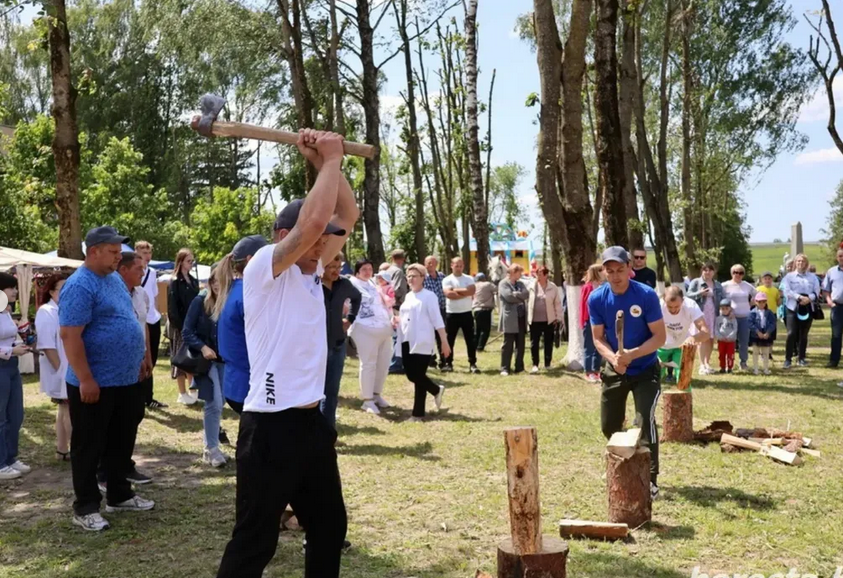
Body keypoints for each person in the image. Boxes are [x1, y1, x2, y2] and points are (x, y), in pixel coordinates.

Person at [216, 128, 355, 578]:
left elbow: (344, 215)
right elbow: (314, 224)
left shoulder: (311, 270)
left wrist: (323, 163)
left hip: (310, 425)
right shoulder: (264, 269)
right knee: (256, 540)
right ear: (283, 235)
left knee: (330, 527)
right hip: (270, 431)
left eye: (327, 243)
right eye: (316, 241)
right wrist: (332, 158)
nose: (324, 248)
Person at [59, 226, 153, 532]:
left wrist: (138, 357)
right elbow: (70, 336)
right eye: (113, 252)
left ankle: (119, 494)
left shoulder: (113, 279)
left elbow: (127, 321)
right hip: (94, 383)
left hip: (125, 380)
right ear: (93, 251)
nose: (118, 257)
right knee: (88, 445)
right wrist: (86, 379)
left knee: (121, 441)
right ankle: (85, 506)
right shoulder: (80, 285)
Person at [588, 247, 666, 500]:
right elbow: (598, 338)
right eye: (609, 271)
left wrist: (631, 355)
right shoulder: (597, 298)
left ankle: (650, 479)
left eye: (620, 270)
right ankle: (622, 465)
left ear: (629, 268)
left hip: (645, 369)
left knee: (644, 421)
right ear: (603, 271)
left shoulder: (645, 295)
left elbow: (659, 337)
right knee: (609, 424)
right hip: (615, 369)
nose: (615, 276)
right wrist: (614, 359)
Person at [98, 252, 153, 489]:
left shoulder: (141, 294)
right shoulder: (111, 293)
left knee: (134, 414)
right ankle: (105, 470)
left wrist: (148, 355)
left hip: (139, 361)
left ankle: (122, 465)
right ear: (124, 270)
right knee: (112, 420)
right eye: (139, 268)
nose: (143, 272)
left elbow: (144, 326)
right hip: (115, 366)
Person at [217, 235, 268, 414]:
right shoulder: (248, 295)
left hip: (237, 383)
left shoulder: (235, 289)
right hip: (249, 384)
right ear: (251, 260)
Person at [182, 265, 227, 467]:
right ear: (209, 281)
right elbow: (187, 331)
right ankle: (211, 449)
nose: (217, 284)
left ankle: (210, 444)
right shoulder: (200, 301)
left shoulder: (230, 302)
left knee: (221, 402)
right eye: (214, 280)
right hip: (205, 361)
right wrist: (203, 347)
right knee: (214, 402)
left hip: (225, 360)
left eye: (222, 279)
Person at [399, 264, 450, 422]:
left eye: (415, 276)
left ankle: (418, 413)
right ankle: (435, 390)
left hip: (422, 340)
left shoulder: (429, 296)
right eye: (409, 276)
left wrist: (444, 341)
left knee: (417, 375)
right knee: (411, 374)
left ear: (423, 278)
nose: (411, 279)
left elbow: (437, 320)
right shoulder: (408, 296)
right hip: (406, 339)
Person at [348, 259, 394, 415]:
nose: (368, 272)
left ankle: (376, 394)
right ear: (357, 271)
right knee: (368, 363)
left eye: (370, 269)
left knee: (383, 363)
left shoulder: (373, 284)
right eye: (364, 269)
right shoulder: (351, 284)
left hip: (383, 328)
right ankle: (367, 400)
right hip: (364, 328)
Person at [322, 253, 361, 428]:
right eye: (331, 267)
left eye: (338, 268)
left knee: (331, 391)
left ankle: (328, 431)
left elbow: (357, 297)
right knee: (314, 392)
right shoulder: (311, 285)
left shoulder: (344, 284)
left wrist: (350, 319)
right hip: (317, 346)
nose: (336, 271)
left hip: (338, 344)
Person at [35, 273, 71, 461]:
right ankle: (76, 450)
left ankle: (62, 449)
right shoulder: (46, 311)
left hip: (68, 367)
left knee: (64, 408)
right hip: (60, 368)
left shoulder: (67, 309)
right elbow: (48, 345)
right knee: (68, 408)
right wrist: (61, 372)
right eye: (62, 289)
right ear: (51, 292)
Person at [0, 272, 30, 481]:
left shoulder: (6, 312)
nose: (15, 291)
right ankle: (0, 463)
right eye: (11, 288)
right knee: (0, 417)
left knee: (16, 415)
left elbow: (7, 338)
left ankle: (11, 458)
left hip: (11, 367)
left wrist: (17, 346)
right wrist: (10, 351)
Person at [135, 241, 166, 409]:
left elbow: (154, 295)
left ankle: (149, 396)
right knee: (141, 357)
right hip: (140, 318)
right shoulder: (133, 270)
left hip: (152, 318)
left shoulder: (153, 273)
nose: (146, 255)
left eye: (148, 252)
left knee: (152, 358)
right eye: (143, 252)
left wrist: (158, 313)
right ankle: (140, 395)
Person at [657, 286, 709, 384]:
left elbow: (705, 332)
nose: (673, 310)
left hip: (683, 346)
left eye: (677, 306)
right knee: (653, 378)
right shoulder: (658, 306)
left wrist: (693, 338)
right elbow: (647, 331)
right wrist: (653, 355)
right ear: (664, 301)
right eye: (669, 307)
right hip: (661, 345)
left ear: (683, 300)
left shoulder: (691, 306)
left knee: (684, 381)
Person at [168, 248, 200, 405]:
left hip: (193, 325)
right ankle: (182, 392)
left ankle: (193, 389)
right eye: (188, 261)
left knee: (192, 358)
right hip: (180, 327)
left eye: (192, 261)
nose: (191, 264)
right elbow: (172, 309)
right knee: (180, 359)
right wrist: (181, 327)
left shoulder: (194, 281)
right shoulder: (175, 282)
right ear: (180, 262)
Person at [782, 253, 820, 369]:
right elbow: (786, 291)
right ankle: (788, 359)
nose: (800, 263)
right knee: (791, 333)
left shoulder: (813, 277)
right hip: (793, 308)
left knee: (803, 334)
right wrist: (799, 297)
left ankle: (801, 358)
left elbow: (817, 291)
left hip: (808, 307)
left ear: (806, 263)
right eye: (798, 261)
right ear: (795, 263)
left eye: (803, 261)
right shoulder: (788, 277)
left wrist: (809, 299)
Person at [442, 257, 480, 374]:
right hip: (451, 313)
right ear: (451, 266)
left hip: (466, 313)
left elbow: (472, 291)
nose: (458, 268)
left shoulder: (469, 278)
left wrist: (457, 290)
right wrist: (465, 293)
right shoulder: (447, 280)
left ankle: (472, 363)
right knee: (450, 340)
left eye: (460, 266)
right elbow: (449, 294)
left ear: (463, 266)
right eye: (456, 265)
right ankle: (448, 363)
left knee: (470, 340)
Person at [686, 263, 723, 375]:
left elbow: (723, 298)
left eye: (710, 270)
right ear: (702, 271)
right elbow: (688, 295)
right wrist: (700, 293)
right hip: (700, 314)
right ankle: (702, 365)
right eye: (705, 270)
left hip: (713, 314)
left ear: (714, 272)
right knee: (702, 338)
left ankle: (707, 363)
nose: (708, 272)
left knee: (711, 339)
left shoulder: (717, 284)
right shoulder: (696, 282)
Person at [527, 266, 563, 374]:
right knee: (534, 343)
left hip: (549, 320)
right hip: (534, 320)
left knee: (548, 342)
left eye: (540, 274)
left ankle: (547, 363)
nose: (538, 276)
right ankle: (535, 364)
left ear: (546, 275)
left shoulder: (553, 287)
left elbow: (557, 303)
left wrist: (558, 317)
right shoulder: (531, 286)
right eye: (537, 274)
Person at [721, 264, 756, 371]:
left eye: (741, 273)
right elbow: (720, 300)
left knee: (744, 341)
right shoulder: (725, 285)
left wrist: (751, 303)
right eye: (735, 272)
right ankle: (728, 363)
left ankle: (743, 362)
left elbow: (757, 294)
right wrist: (727, 311)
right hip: (730, 317)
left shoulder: (747, 285)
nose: (738, 275)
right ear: (731, 273)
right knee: (729, 341)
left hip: (745, 317)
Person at [499, 264, 529, 376]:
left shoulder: (520, 284)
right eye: (519, 272)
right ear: (513, 272)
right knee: (508, 344)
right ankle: (505, 368)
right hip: (510, 318)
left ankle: (519, 367)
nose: (520, 275)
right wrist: (517, 296)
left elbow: (526, 294)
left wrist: (517, 294)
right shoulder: (503, 284)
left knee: (520, 343)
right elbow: (508, 297)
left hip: (521, 317)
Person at [580, 263, 606, 382]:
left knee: (599, 346)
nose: (604, 272)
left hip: (601, 321)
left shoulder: (604, 286)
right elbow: (583, 306)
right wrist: (583, 321)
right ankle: (588, 371)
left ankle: (596, 371)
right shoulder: (587, 287)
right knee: (589, 347)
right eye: (602, 270)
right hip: (589, 321)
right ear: (597, 272)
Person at [422, 256, 448, 364]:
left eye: (433, 263)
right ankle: (431, 359)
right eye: (428, 263)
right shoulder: (423, 277)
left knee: (441, 335)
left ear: (437, 264)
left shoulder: (442, 276)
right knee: (428, 336)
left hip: (441, 310)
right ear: (425, 264)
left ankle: (444, 359)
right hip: (427, 311)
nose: (431, 265)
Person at [387, 250, 408, 375]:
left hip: (386, 306)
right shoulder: (398, 272)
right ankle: (395, 364)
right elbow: (398, 289)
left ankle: (391, 362)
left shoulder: (386, 271)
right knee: (397, 336)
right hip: (396, 307)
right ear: (402, 259)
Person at [823, 247, 843, 368]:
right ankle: (833, 361)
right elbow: (826, 290)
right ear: (837, 258)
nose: (842, 258)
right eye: (840, 256)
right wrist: (830, 302)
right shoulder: (831, 272)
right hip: (837, 307)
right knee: (836, 335)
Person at [749, 293, 776, 375]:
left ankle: (765, 368)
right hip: (755, 335)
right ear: (756, 302)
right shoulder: (752, 312)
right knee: (755, 352)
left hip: (766, 334)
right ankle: (756, 369)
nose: (761, 304)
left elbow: (773, 323)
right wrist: (757, 332)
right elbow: (750, 323)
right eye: (759, 302)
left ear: (766, 302)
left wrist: (768, 332)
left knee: (766, 353)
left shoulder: (769, 312)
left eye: (763, 302)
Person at [472, 273, 496, 352]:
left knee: (478, 329)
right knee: (485, 330)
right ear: (484, 278)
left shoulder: (474, 285)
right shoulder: (488, 284)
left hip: (476, 309)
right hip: (485, 309)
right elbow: (497, 289)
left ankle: (474, 346)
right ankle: (480, 347)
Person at [715, 299, 738, 373]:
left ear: (730, 309)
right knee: (721, 354)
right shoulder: (718, 319)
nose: (725, 310)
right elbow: (716, 329)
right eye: (722, 309)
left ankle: (730, 367)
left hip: (730, 341)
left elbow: (735, 329)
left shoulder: (733, 318)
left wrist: (730, 337)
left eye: (726, 308)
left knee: (730, 355)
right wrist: (720, 337)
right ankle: (722, 367)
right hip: (721, 340)